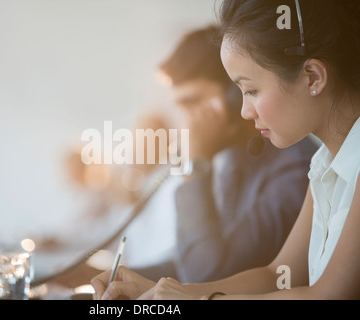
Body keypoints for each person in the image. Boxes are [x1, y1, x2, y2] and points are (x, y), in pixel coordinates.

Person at [90, 0, 360, 300]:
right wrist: (164, 290)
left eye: (252, 90)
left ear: (312, 77)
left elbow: (330, 295)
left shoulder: (304, 166)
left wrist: (201, 299)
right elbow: (278, 275)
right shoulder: (324, 166)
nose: (245, 111)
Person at [123, 24, 318, 283]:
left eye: (191, 102)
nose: (184, 123)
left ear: (235, 95)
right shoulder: (234, 162)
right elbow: (188, 259)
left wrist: (194, 167)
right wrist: (119, 279)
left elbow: (207, 275)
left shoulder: (296, 167)